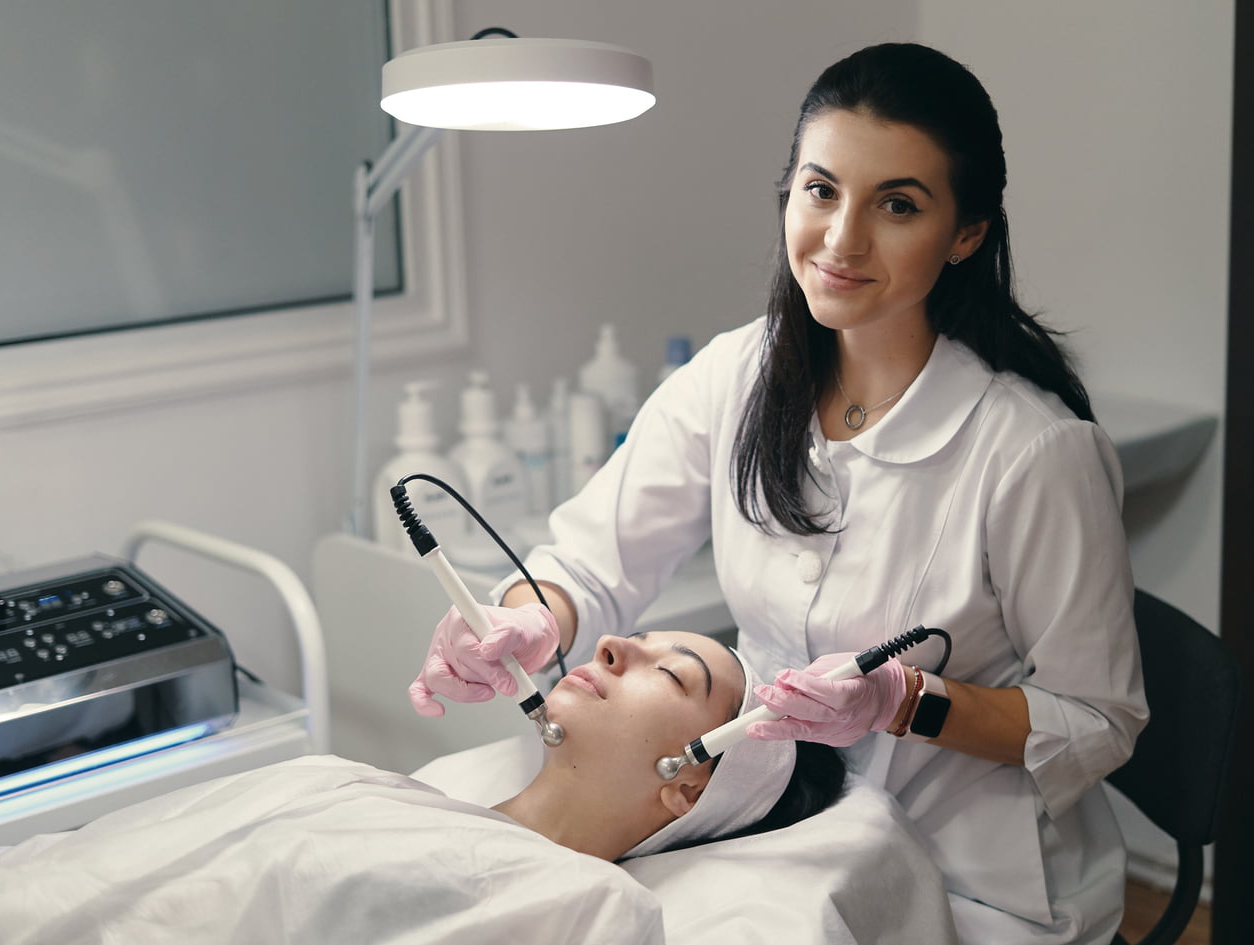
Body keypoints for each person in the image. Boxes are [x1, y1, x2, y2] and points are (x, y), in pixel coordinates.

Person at [409, 42, 1148, 945]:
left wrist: (904, 700)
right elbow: (592, 564)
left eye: (898, 205)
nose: (842, 240)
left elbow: (1099, 719)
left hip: (971, 883)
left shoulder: (1032, 453)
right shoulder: (736, 376)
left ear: (967, 234)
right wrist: (529, 620)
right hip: (774, 832)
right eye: (821, 189)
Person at [0, 630, 846, 944]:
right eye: (637, 637)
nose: (613, 645)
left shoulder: (591, 907)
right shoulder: (361, 782)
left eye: (671, 673)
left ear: (686, 786)